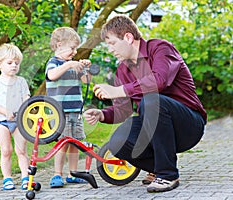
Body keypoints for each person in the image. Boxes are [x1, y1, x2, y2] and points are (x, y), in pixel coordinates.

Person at [83, 15, 206, 193]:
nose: (110, 50)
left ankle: (167, 175)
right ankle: (160, 167)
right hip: (155, 128)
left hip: (188, 125)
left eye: (112, 43)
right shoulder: (123, 70)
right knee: (118, 142)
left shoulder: (161, 49)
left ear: (128, 37)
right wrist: (102, 114)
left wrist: (121, 90)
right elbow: (122, 110)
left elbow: (159, 80)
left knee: (151, 100)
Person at [45, 27, 92, 188]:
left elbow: (86, 81)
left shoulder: (73, 65)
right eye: (72, 48)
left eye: (75, 48)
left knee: (75, 143)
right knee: (62, 143)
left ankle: (73, 173)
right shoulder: (54, 63)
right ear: (59, 45)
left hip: (75, 111)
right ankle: (57, 174)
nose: (74, 52)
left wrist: (85, 68)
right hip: (59, 113)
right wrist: (69, 64)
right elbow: (51, 75)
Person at [0, 43, 30, 191]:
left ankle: (26, 178)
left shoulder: (21, 82)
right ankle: (7, 178)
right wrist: (5, 111)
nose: (14, 66)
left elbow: (26, 100)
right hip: (2, 121)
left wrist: (24, 112)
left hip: (19, 121)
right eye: (10, 63)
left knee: (22, 150)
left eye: (16, 63)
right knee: (6, 150)